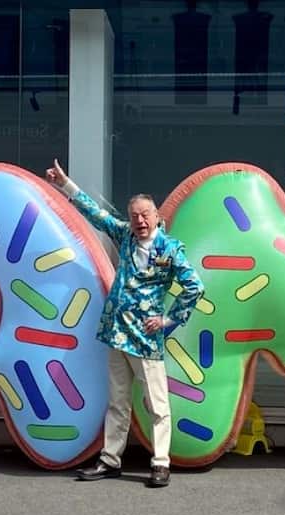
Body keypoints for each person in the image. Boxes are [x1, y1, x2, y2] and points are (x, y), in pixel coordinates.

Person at [45, 159, 205, 488]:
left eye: (145, 215)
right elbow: (97, 215)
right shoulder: (126, 235)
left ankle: (160, 463)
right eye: (135, 216)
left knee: (156, 404)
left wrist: (168, 320)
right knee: (118, 401)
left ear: (157, 216)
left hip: (145, 339)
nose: (140, 221)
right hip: (117, 333)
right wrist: (65, 185)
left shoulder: (170, 249)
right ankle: (110, 460)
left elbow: (195, 287)